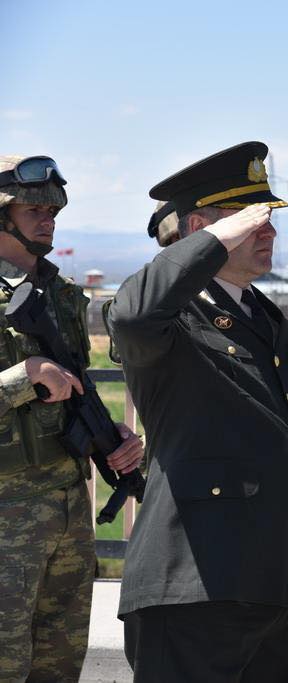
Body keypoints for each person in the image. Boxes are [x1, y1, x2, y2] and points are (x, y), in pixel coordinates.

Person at [108, 141, 288, 682]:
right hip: (193, 583)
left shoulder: (257, 313)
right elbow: (129, 316)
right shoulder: (168, 320)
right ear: (202, 229)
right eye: (250, 219)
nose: (268, 230)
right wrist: (213, 236)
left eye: (269, 217)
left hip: (263, 580)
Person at [0, 154, 144, 681]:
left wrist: (111, 437)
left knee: (60, 665)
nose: (49, 217)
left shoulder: (60, 296)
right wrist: (24, 376)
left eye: (54, 207)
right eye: (33, 207)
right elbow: (35, 380)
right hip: (6, 517)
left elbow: (76, 387)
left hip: (65, 508)